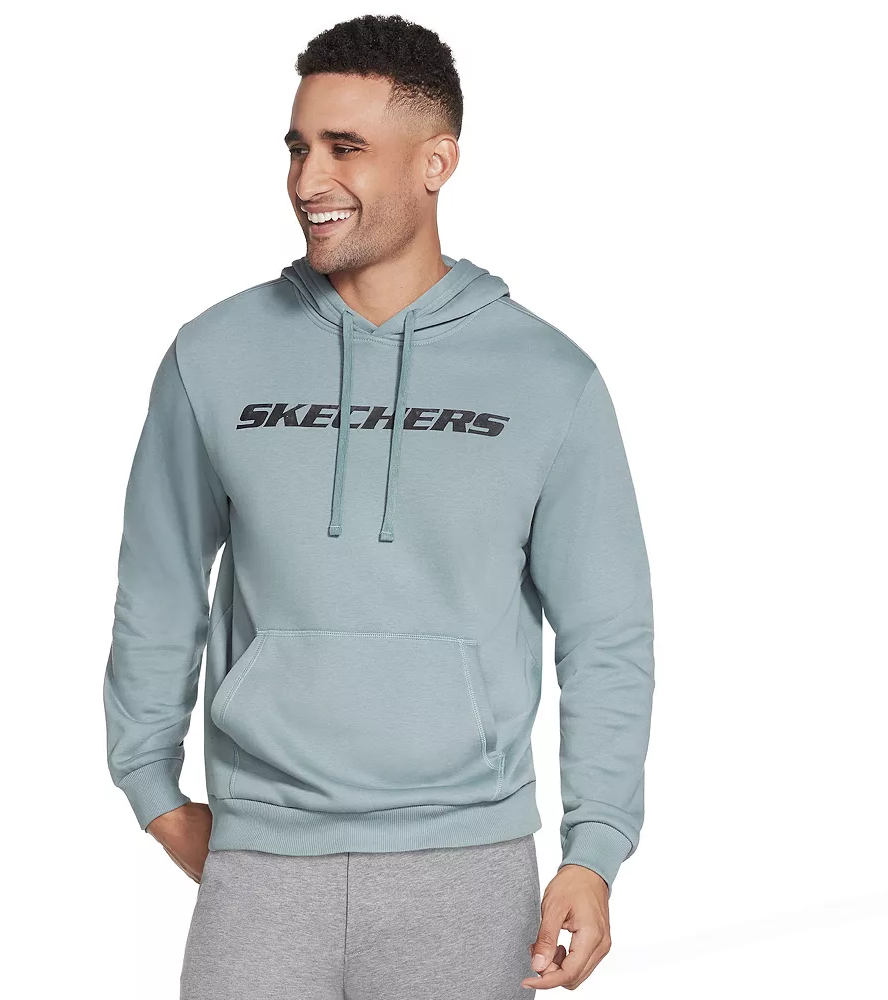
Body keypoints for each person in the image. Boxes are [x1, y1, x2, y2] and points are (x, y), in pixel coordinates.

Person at [102, 14, 655, 998]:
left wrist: (595, 847)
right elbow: (158, 579)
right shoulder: (214, 354)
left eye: (344, 147)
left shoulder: (547, 378)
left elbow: (606, 633)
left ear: (436, 161)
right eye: (297, 147)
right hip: (260, 861)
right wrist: (150, 784)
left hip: (468, 864)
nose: (307, 179)